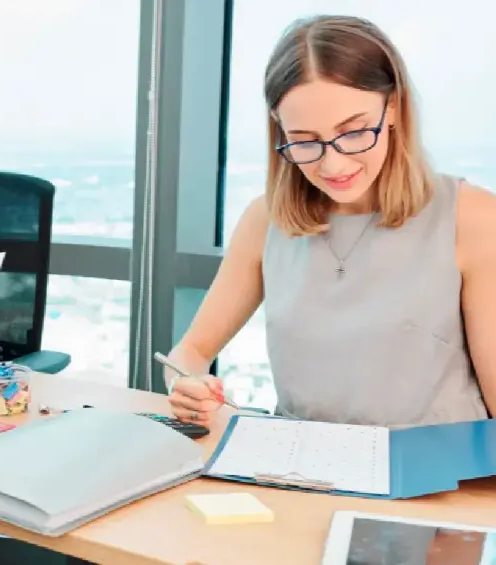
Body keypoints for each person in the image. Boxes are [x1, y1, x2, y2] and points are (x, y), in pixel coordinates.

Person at [166, 15, 496, 429]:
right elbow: (191, 350)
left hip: (437, 479)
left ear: (392, 108)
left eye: (354, 132)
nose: (333, 164)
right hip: (300, 472)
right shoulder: (264, 220)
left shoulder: (474, 218)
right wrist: (187, 385)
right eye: (305, 140)